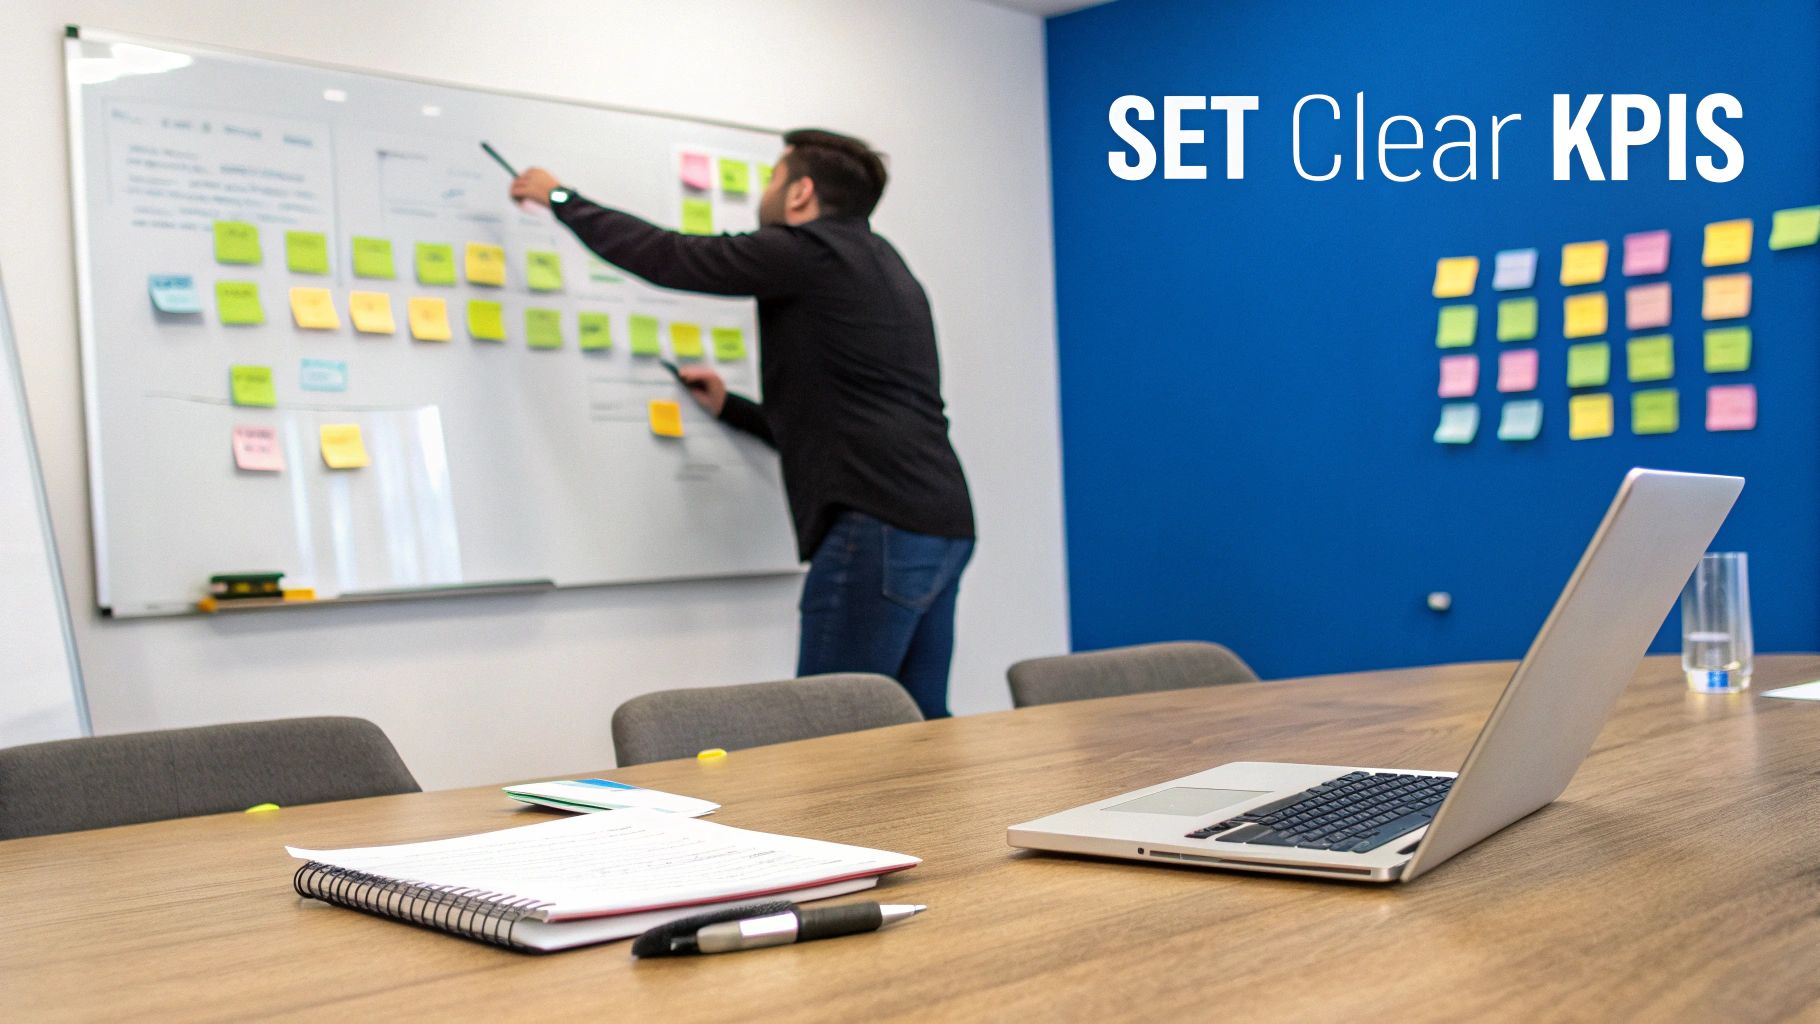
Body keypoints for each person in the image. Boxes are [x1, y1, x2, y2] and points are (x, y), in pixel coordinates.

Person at [509, 129, 975, 718]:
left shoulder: (808, 252)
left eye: (774, 179)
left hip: (878, 522)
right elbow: (847, 416)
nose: (767, 192)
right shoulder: (886, 267)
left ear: (801, 193)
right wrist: (731, 408)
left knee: (833, 729)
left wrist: (560, 199)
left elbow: (670, 255)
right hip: (941, 520)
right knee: (919, 725)